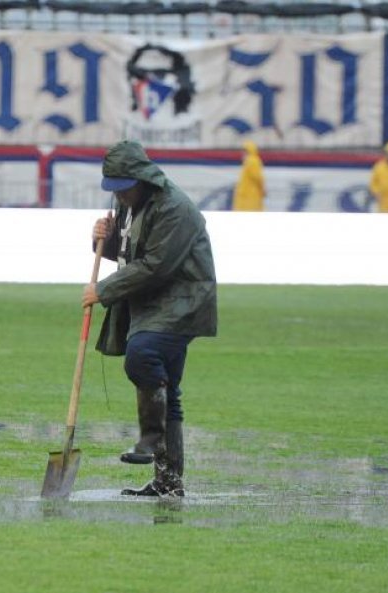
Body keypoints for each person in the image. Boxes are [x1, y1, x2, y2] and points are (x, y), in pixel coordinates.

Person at [84, 140, 218, 497]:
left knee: (142, 355)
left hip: (183, 300)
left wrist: (104, 290)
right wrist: (103, 239)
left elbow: (157, 266)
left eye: (123, 188)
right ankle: (168, 484)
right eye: (114, 189)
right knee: (168, 392)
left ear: (140, 177)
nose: (119, 195)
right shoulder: (128, 200)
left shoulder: (175, 208)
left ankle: (150, 438)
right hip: (151, 302)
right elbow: (128, 252)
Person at [231, 140, 265, 211]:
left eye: (244, 151)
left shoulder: (252, 161)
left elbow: (258, 178)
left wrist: (262, 190)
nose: (242, 153)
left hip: (250, 196)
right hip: (248, 195)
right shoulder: (250, 161)